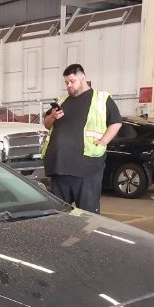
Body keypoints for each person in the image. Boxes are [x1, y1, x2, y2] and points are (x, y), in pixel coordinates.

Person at [42, 64, 122, 213]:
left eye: (72, 81)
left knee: (87, 216)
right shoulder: (62, 100)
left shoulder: (101, 98)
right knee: (59, 216)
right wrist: (53, 116)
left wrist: (103, 141)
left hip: (86, 168)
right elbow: (46, 125)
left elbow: (116, 122)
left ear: (82, 78)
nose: (69, 86)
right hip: (59, 168)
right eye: (66, 83)